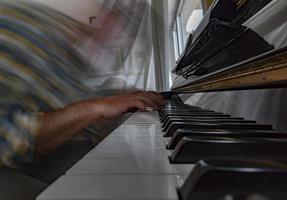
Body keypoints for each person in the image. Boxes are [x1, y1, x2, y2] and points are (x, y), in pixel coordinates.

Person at [0, 1, 165, 168]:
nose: (125, 40)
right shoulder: (24, 31)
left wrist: (114, 100)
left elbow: (57, 106)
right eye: (124, 22)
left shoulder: (62, 50)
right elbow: (6, 137)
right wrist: (96, 107)